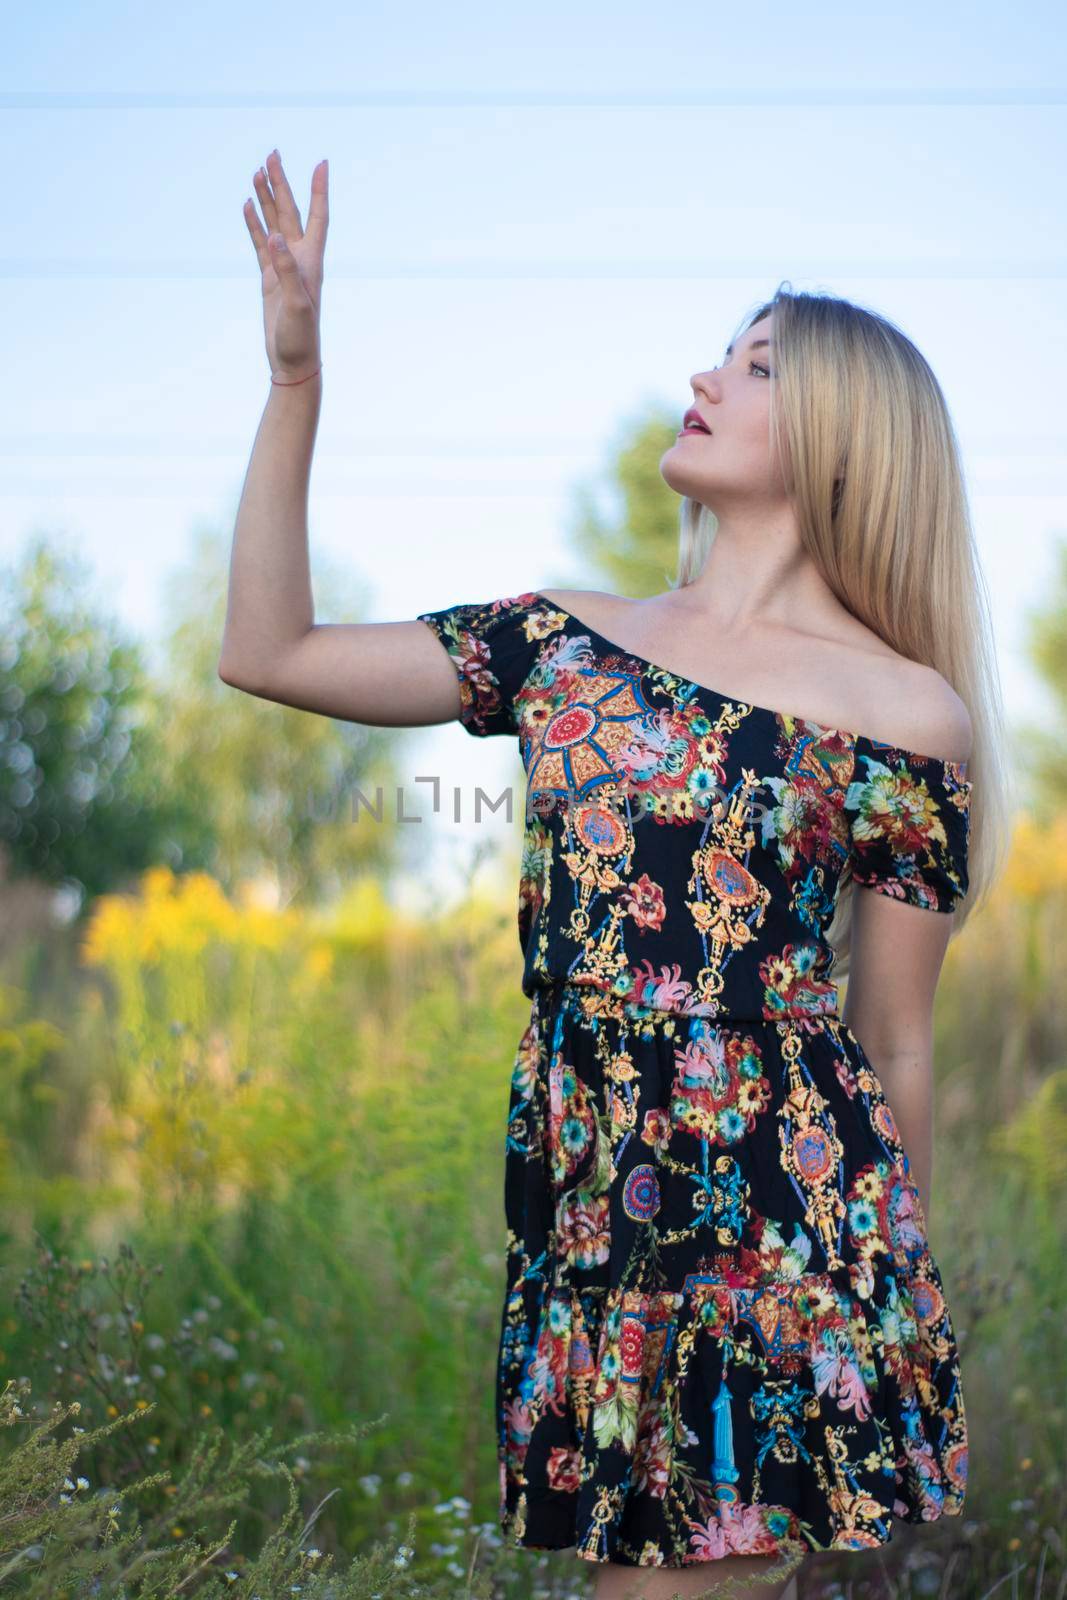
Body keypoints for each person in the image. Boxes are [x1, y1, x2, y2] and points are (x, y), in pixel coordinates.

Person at [223, 152, 1011, 1600]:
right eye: (723, 355)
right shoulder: (564, 641)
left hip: (787, 1217)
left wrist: (880, 1310)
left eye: (756, 365)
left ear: (842, 430)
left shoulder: (907, 715)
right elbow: (267, 653)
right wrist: (294, 388)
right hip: (597, 1204)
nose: (707, 378)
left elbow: (895, 1036)